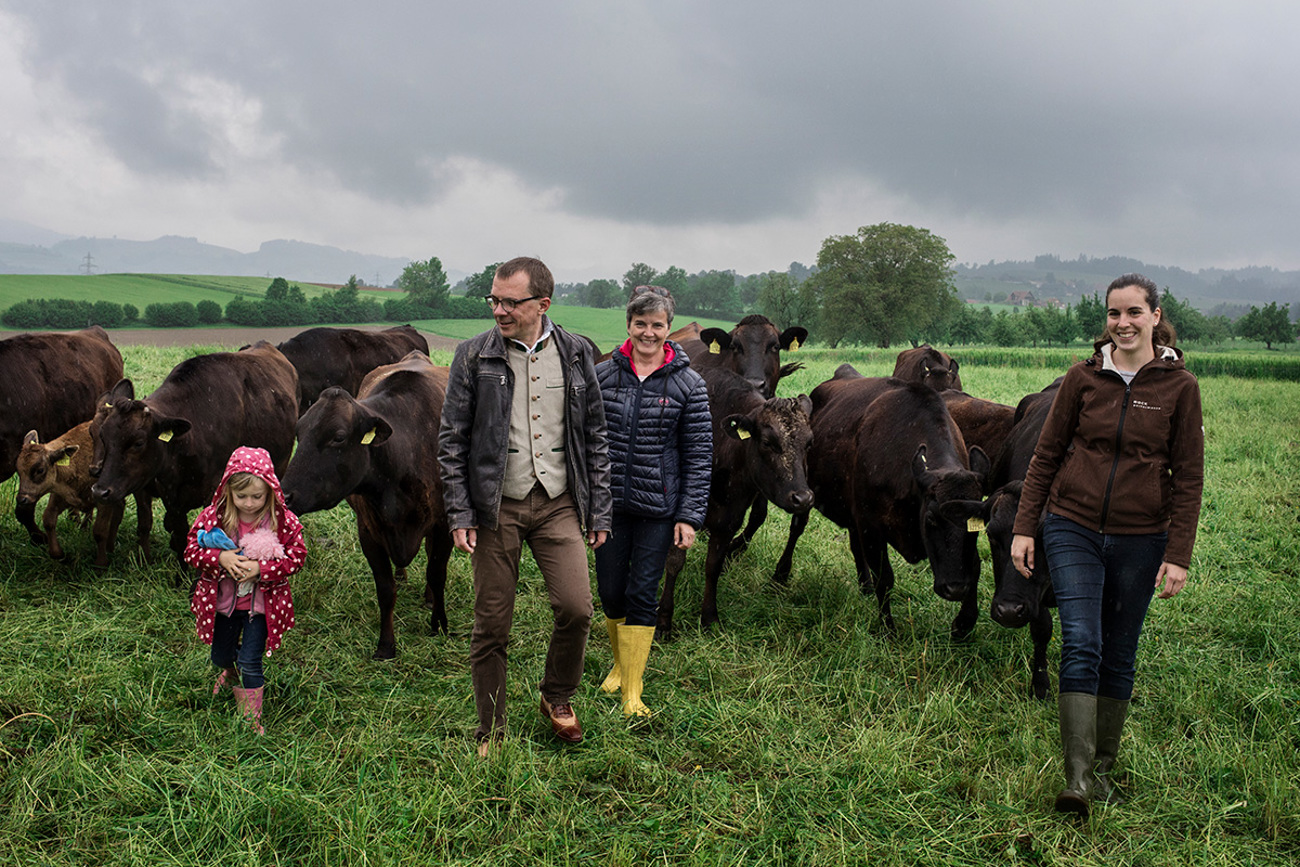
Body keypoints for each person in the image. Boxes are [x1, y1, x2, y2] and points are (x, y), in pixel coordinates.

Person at [1011, 273, 1204, 818]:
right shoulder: (1083, 379)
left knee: (1120, 648)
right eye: (1114, 314)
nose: (1123, 323)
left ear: (1155, 315)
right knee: (1082, 640)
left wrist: (1179, 554)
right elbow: (1045, 456)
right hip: (1071, 524)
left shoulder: (1179, 387)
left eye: (1134, 313)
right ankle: (1075, 777)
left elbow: (1189, 476)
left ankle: (1102, 770)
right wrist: (1026, 527)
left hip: (1144, 536)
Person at [438, 256, 612, 755]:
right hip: (497, 505)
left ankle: (557, 696)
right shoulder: (474, 356)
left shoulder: (578, 353)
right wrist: (460, 512)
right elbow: (451, 440)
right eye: (495, 299)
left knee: (577, 609)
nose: (500, 310)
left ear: (543, 303)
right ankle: (490, 729)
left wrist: (599, 508)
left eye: (511, 301)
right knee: (492, 622)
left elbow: (595, 435)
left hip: (558, 502)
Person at [594, 286, 712, 717]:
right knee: (610, 591)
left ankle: (633, 690)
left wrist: (689, 516)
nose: (648, 332)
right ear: (628, 325)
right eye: (640, 324)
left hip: (659, 508)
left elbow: (699, 455)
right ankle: (618, 664)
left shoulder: (688, 384)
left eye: (657, 325)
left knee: (644, 592)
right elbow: (589, 444)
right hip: (609, 506)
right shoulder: (603, 376)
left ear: (668, 329)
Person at [186, 446, 305, 735]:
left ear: (270, 491)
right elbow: (191, 551)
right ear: (228, 491)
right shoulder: (213, 518)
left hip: (261, 608)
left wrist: (261, 570)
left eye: (257, 496)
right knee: (220, 656)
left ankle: (251, 719)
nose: (249, 504)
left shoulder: (282, 521)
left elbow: (297, 557)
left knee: (251, 661)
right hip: (223, 604)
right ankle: (229, 669)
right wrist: (220, 558)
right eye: (241, 496)